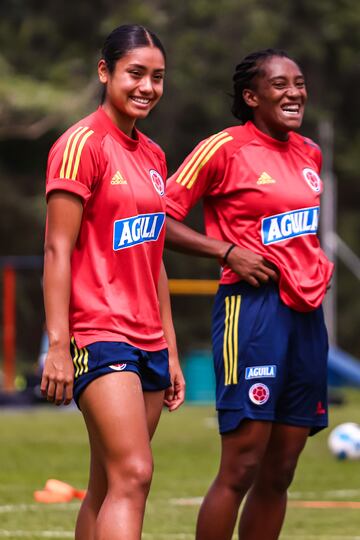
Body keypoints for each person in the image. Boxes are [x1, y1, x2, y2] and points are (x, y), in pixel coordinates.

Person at [165, 49, 333, 540]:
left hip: (306, 316)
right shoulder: (222, 148)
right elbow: (158, 220)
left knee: (281, 470)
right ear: (251, 96)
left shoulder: (309, 153)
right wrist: (226, 251)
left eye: (299, 83)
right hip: (251, 309)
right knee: (242, 465)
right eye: (280, 85)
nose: (294, 94)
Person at [40, 24, 185, 540]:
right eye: (136, 73)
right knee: (135, 474)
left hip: (148, 338)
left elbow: (155, 256)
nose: (147, 86)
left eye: (158, 77)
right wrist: (58, 345)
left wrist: (169, 346)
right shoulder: (80, 144)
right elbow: (58, 249)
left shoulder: (153, 156)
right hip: (99, 332)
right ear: (105, 72)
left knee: (107, 484)